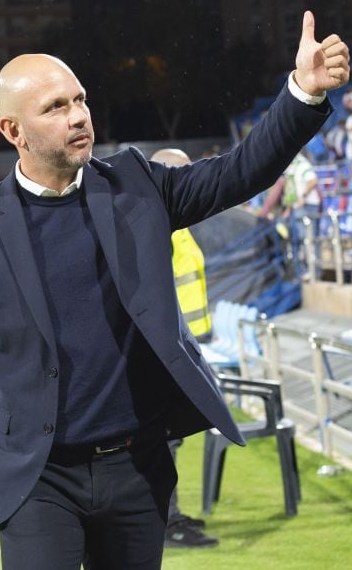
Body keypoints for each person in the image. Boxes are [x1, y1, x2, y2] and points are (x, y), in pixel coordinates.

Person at [0, 10, 350, 569]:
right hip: (40, 477)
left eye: (80, 100)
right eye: (55, 107)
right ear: (14, 131)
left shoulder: (137, 184)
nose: (79, 117)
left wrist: (302, 93)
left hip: (138, 468)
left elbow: (240, 171)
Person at [149, 148, 217, 550]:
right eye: (185, 173)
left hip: (184, 351)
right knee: (164, 442)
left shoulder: (178, 222)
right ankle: (166, 522)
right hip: (167, 356)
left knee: (171, 441)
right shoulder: (160, 226)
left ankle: (169, 515)